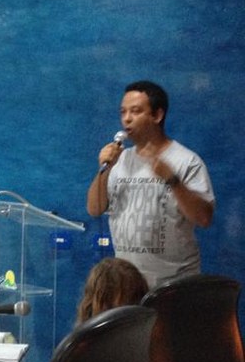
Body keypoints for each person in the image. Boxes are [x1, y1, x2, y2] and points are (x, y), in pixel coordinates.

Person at [86, 80, 215, 288]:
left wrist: (172, 180)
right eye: (123, 112)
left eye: (135, 111)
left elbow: (204, 218)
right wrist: (105, 169)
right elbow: (95, 209)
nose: (127, 118)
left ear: (157, 115)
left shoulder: (186, 161)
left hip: (175, 286)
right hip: (127, 285)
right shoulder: (119, 160)